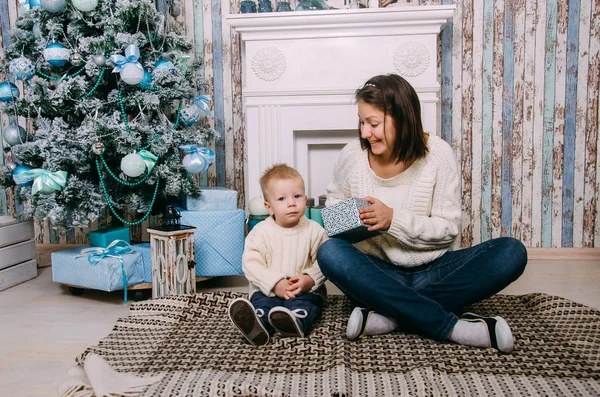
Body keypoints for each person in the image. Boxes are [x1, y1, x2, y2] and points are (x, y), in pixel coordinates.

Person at [316, 74, 527, 353]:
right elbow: (331, 216)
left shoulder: (438, 154)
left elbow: (448, 229)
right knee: (330, 252)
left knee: (511, 252)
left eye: (374, 124)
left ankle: (389, 315)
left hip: (434, 270)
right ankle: (451, 326)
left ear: (402, 119)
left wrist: (393, 220)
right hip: (377, 272)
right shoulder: (352, 155)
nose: (365, 133)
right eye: (362, 122)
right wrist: (354, 216)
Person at [228, 164, 328, 346]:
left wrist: (310, 279)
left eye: (297, 196)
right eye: (282, 199)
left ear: (305, 199)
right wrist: (275, 283)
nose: (291, 203)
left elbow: (324, 261)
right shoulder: (260, 232)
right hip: (268, 290)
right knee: (263, 304)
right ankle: (258, 324)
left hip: (303, 290)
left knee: (305, 305)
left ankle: (296, 322)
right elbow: (251, 265)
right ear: (269, 207)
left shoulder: (315, 230)